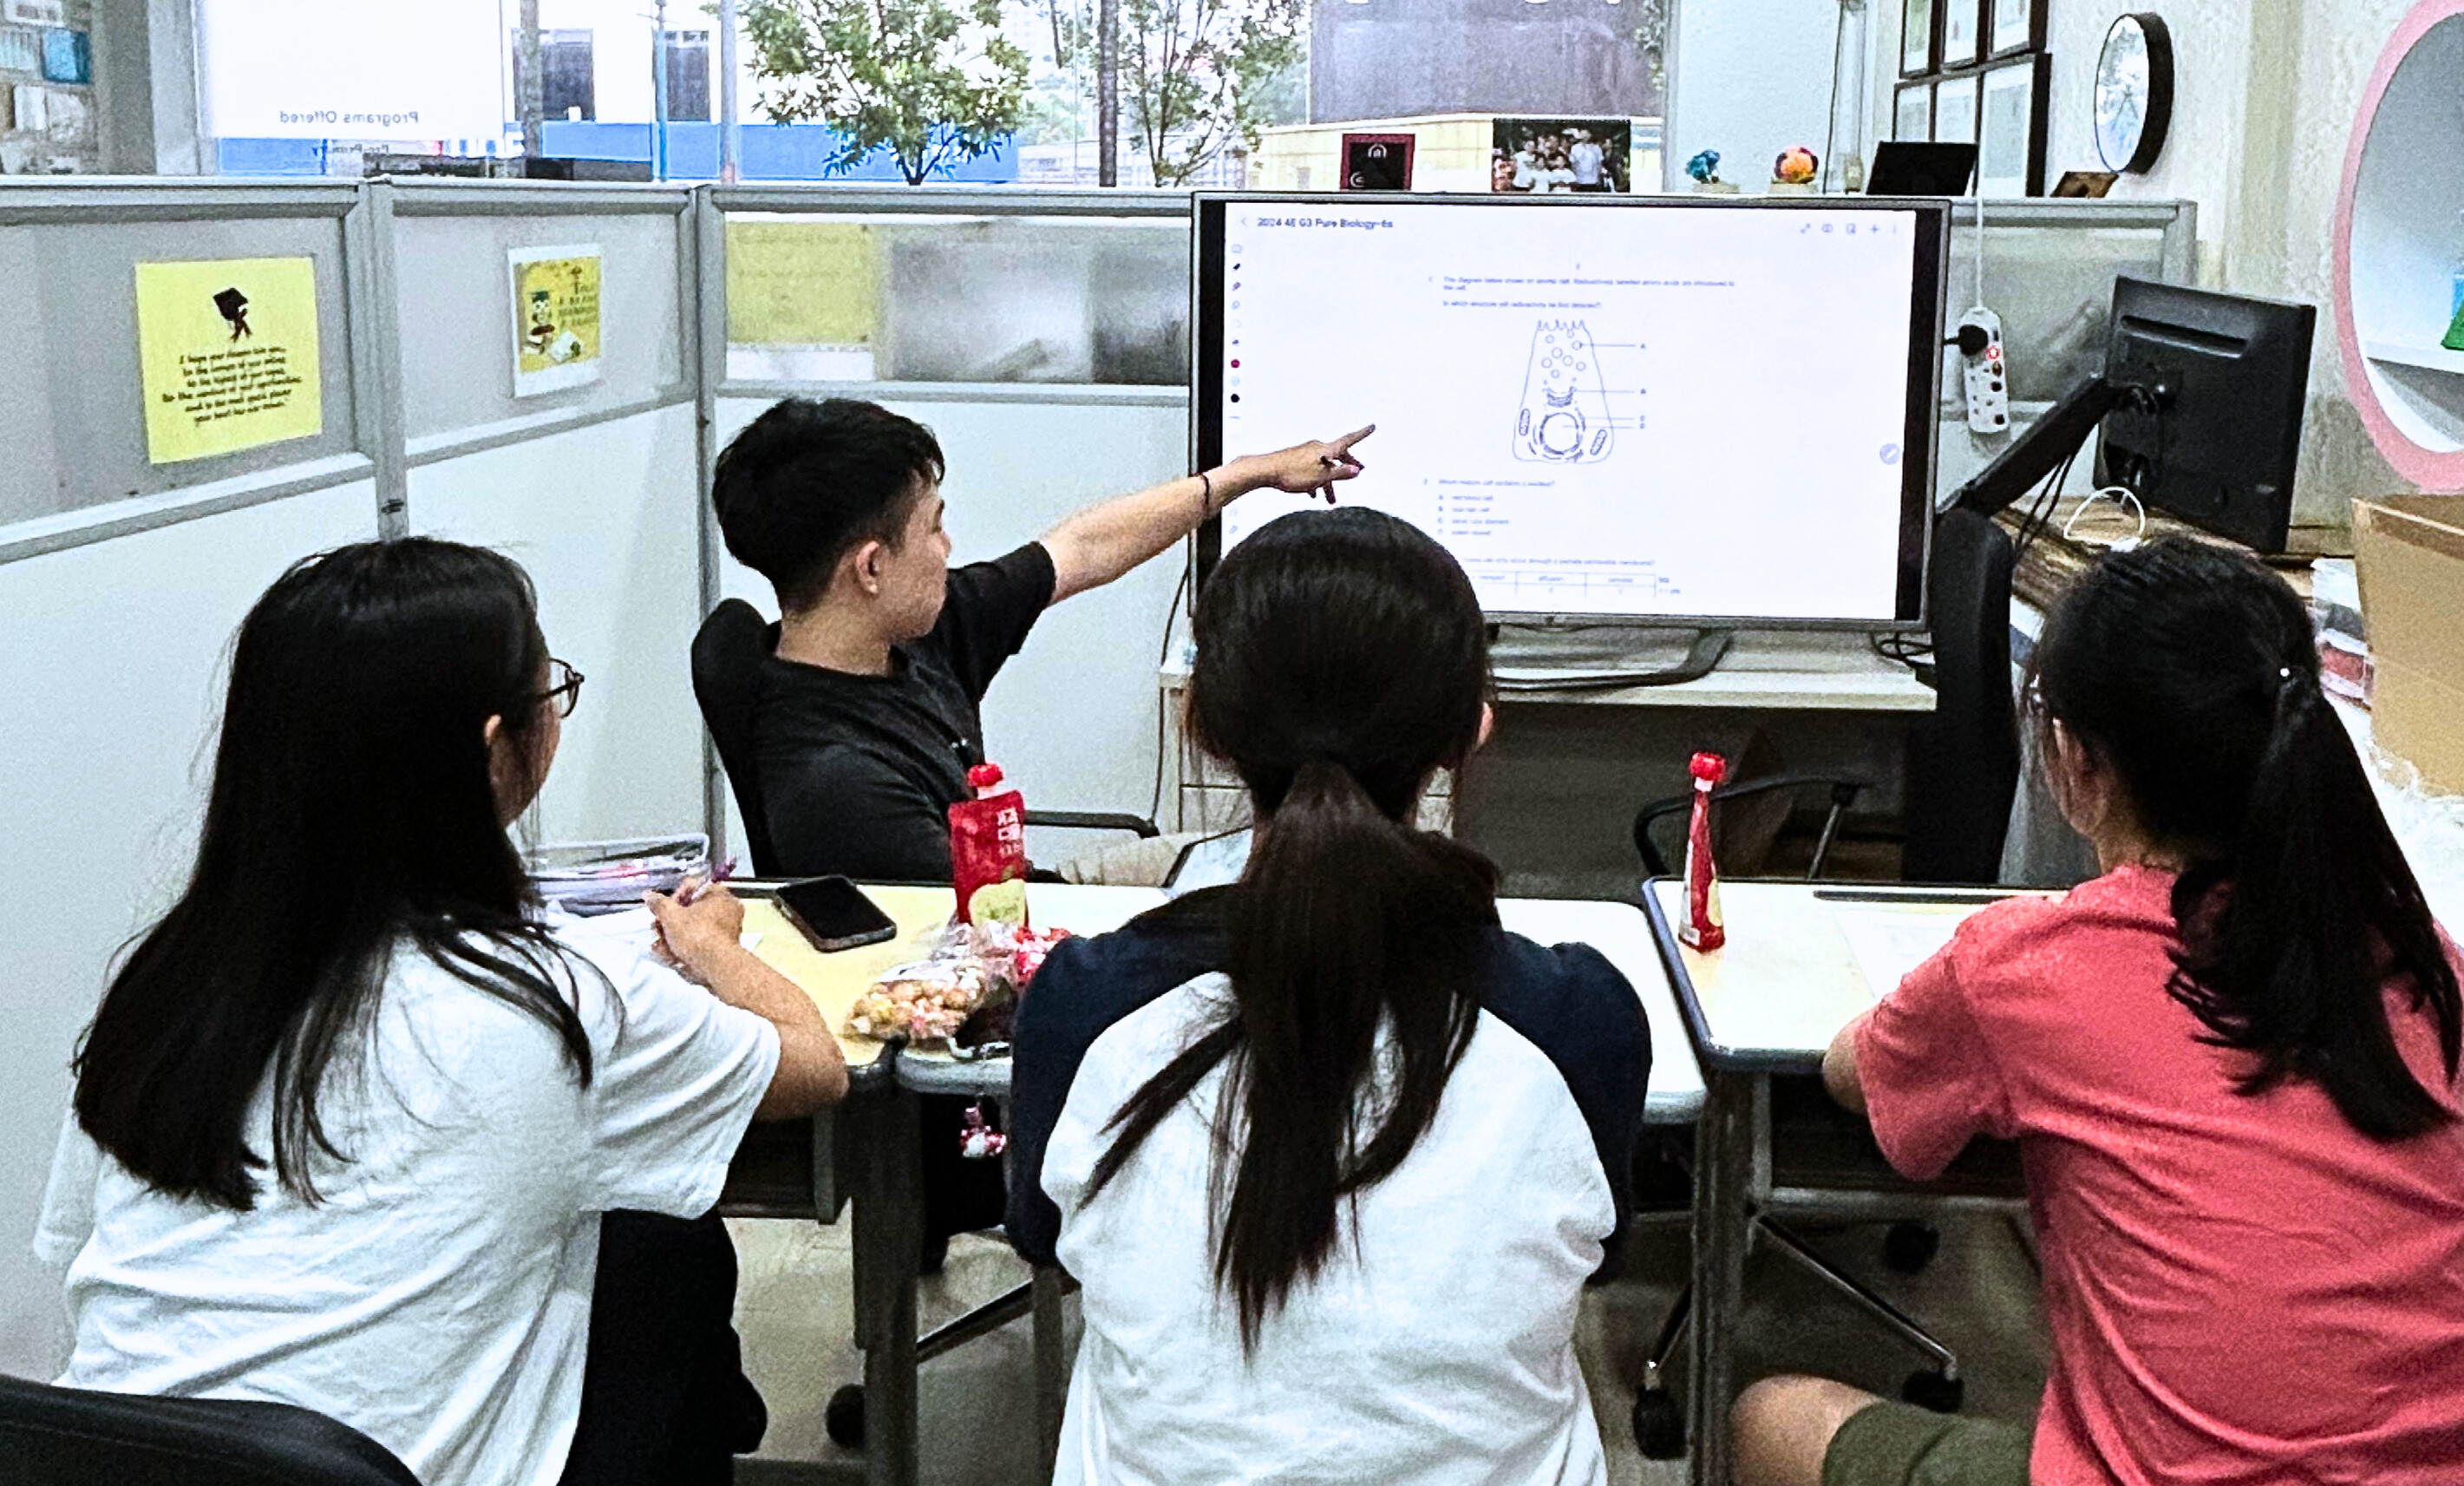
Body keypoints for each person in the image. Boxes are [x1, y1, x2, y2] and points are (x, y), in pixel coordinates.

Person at [53, 539, 846, 1486]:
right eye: (549, 692)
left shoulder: (166, 986)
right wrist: (710, 944)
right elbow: (815, 1063)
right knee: (667, 1247)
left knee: (648, 1249)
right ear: (494, 749)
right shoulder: (555, 1001)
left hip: (106, 1460)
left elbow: (77, 1254)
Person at [1734, 537, 2464, 1486]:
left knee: (1768, 1419)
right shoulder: (2420, 955)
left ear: (2078, 760)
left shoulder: (2032, 966)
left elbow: (1854, 1078)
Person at [1005, 507, 1650, 1486]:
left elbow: (1042, 1238)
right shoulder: (1576, 1019)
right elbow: (1595, 1259)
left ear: (1199, 724)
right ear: (1469, 728)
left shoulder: (1085, 1005)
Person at [708, 396, 1371, 885]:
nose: (948, 548)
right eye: (933, 528)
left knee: (1270, 859)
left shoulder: (910, 632)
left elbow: (1083, 548)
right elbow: (998, 936)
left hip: (1017, 889)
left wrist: (1252, 473)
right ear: (871, 567)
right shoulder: (839, 788)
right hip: (1013, 928)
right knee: (1285, 881)